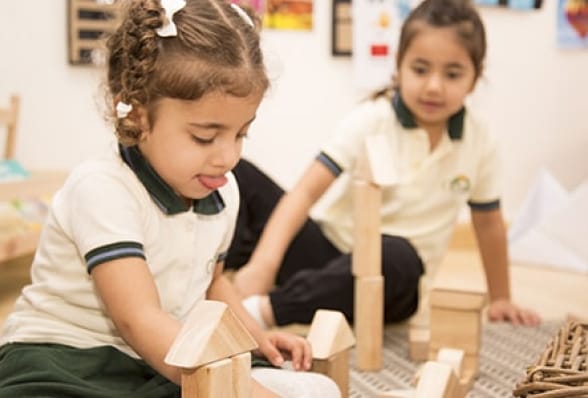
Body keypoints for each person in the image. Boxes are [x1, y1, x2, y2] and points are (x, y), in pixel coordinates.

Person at [0, 1, 340, 397]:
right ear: (136, 117)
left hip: (157, 359)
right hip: (67, 362)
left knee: (319, 390)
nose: (228, 156)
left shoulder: (222, 190)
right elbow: (139, 319)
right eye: (204, 137)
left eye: (241, 134)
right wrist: (241, 390)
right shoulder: (102, 189)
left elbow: (212, 287)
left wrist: (256, 341)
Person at [226, 0, 541, 330]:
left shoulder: (480, 141)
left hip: (393, 280)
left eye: (452, 74)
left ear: (475, 79)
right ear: (398, 67)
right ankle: (214, 285)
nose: (434, 86)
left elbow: (489, 224)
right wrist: (263, 265)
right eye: (420, 69)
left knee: (398, 255)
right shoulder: (372, 119)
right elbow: (304, 193)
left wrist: (501, 296)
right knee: (239, 174)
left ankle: (264, 310)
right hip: (329, 254)